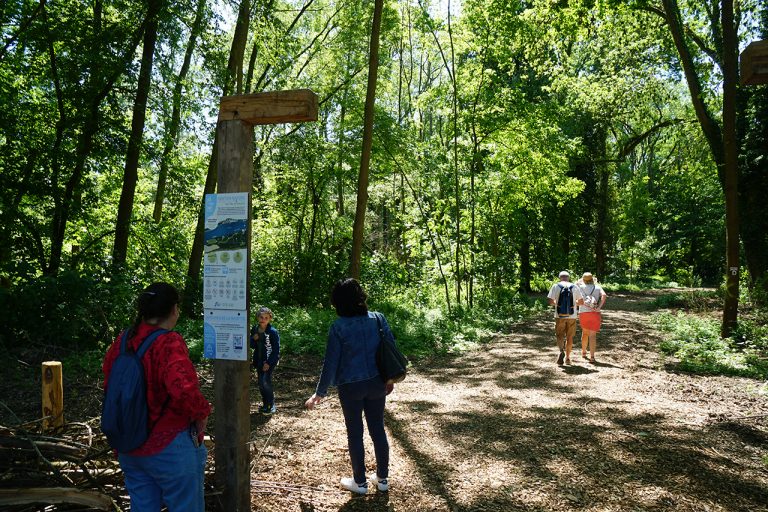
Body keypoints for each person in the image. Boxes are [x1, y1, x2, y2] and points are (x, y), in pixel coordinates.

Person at [102, 282, 211, 512]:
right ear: (174, 309)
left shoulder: (123, 341)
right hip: (169, 445)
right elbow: (183, 389)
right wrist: (202, 413)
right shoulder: (168, 342)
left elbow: (110, 385)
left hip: (130, 445)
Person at [305, 278, 395, 494]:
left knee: (355, 433)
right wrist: (389, 379)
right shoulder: (378, 319)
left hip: (350, 387)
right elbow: (390, 346)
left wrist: (320, 392)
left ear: (338, 303)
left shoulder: (338, 327)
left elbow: (331, 361)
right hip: (377, 383)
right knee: (378, 430)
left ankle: (360, 483)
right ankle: (382, 480)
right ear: (360, 297)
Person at [547, 270, 583, 366]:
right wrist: (573, 304)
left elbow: (550, 301)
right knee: (570, 337)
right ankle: (567, 358)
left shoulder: (555, 286)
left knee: (559, 335)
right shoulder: (575, 286)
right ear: (568, 277)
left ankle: (561, 351)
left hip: (559, 316)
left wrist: (558, 304)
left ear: (560, 277)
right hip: (572, 316)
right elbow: (581, 302)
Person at [250, 306, 280, 415]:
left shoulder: (272, 332)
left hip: (269, 360)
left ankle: (271, 405)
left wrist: (268, 363)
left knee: (265, 382)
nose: (263, 319)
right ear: (258, 317)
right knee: (261, 383)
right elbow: (252, 345)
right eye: (261, 317)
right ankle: (265, 405)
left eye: (266, 318)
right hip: (258, 360)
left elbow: (276, 350)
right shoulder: (254, 329)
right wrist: (253, 339)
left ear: (269, 319)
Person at [577, 272, 607, 363]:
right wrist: (599, 307)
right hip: (595, 312)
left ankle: (583, 352)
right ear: (592, 279)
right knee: (593, 335)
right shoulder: (597, 287)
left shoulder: (579, 287)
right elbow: (604, 295)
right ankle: (592, 357)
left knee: (585, 333)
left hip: (583, 313)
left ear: (583, 279)